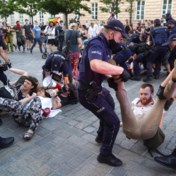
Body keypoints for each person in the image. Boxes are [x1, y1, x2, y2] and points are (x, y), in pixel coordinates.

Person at [78, 19, 130, 167]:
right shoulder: (97, 43)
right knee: (113, 122)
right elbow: (95, 65)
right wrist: (121, 71)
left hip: (95, 88)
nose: (120, 41)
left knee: (110, 103)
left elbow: (104, 66)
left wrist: (111, 77)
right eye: (120, 37)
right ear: (112, 33)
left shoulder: (105, 45)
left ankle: (101, 135)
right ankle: (104, 155)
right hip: (87, 92)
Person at [111, 60, 176, 139]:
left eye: (145, 94)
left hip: (148, 130)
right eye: (141, 94)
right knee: (124, 101)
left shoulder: (155, 104)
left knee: (161, 99)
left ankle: (173, 79)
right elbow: (127, 112)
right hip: (130, 129)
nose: (143, 96)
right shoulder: (135, 101)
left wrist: (157, 128)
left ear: (151, 94)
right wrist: (120, 123)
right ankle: (118, 80)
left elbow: (165, 101)